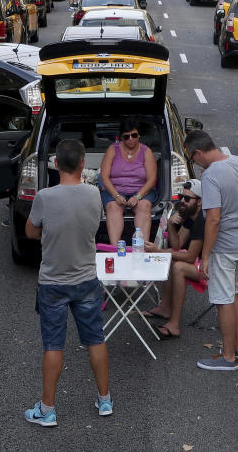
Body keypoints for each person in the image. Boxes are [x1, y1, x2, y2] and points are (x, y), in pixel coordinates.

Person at [23, 139, 112, 426]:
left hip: (53, 283)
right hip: (86, 278)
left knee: (53, 345)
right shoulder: (94, 195)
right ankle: (105, 399)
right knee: (95, 340)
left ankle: (47, 409)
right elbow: (94, 225)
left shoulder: (45, 197)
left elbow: (30, 232)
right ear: (83, 163)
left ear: (56, 164)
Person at [183, 130, 238, 371]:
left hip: (225, 247)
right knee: (233, 294)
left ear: (198, 153)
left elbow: (213, 219)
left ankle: (227, 357)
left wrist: (205, 257)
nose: (195, 164)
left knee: (223, 299)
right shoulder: (237, 161)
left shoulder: (211, 176)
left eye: (193, 160)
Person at [143, 179, 205, 339]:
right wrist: (171, 224)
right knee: (171, 255)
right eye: (181, 197)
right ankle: (165, 307)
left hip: (212, 268)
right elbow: (178, 245)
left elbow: (190, 258)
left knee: (178, 266)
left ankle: (174, 324)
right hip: (201, 263)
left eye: (187, 199)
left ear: (199, 202)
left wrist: (159, 251)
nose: (182, 202)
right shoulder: (192, 216)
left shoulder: (202, 220)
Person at [99, 118, 158, 248]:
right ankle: (115, 248)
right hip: (115, 190)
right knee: (113, 207)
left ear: (139, 135)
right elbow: (104, 176)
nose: (131, 139)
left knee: (144, 206)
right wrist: (116, 195)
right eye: (126, 137)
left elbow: (152, 179)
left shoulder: (146, 151)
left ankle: (142, 247)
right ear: (121, 137)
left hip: (141, 190)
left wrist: (138, 196)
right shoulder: (113, 149)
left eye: (134, 135)